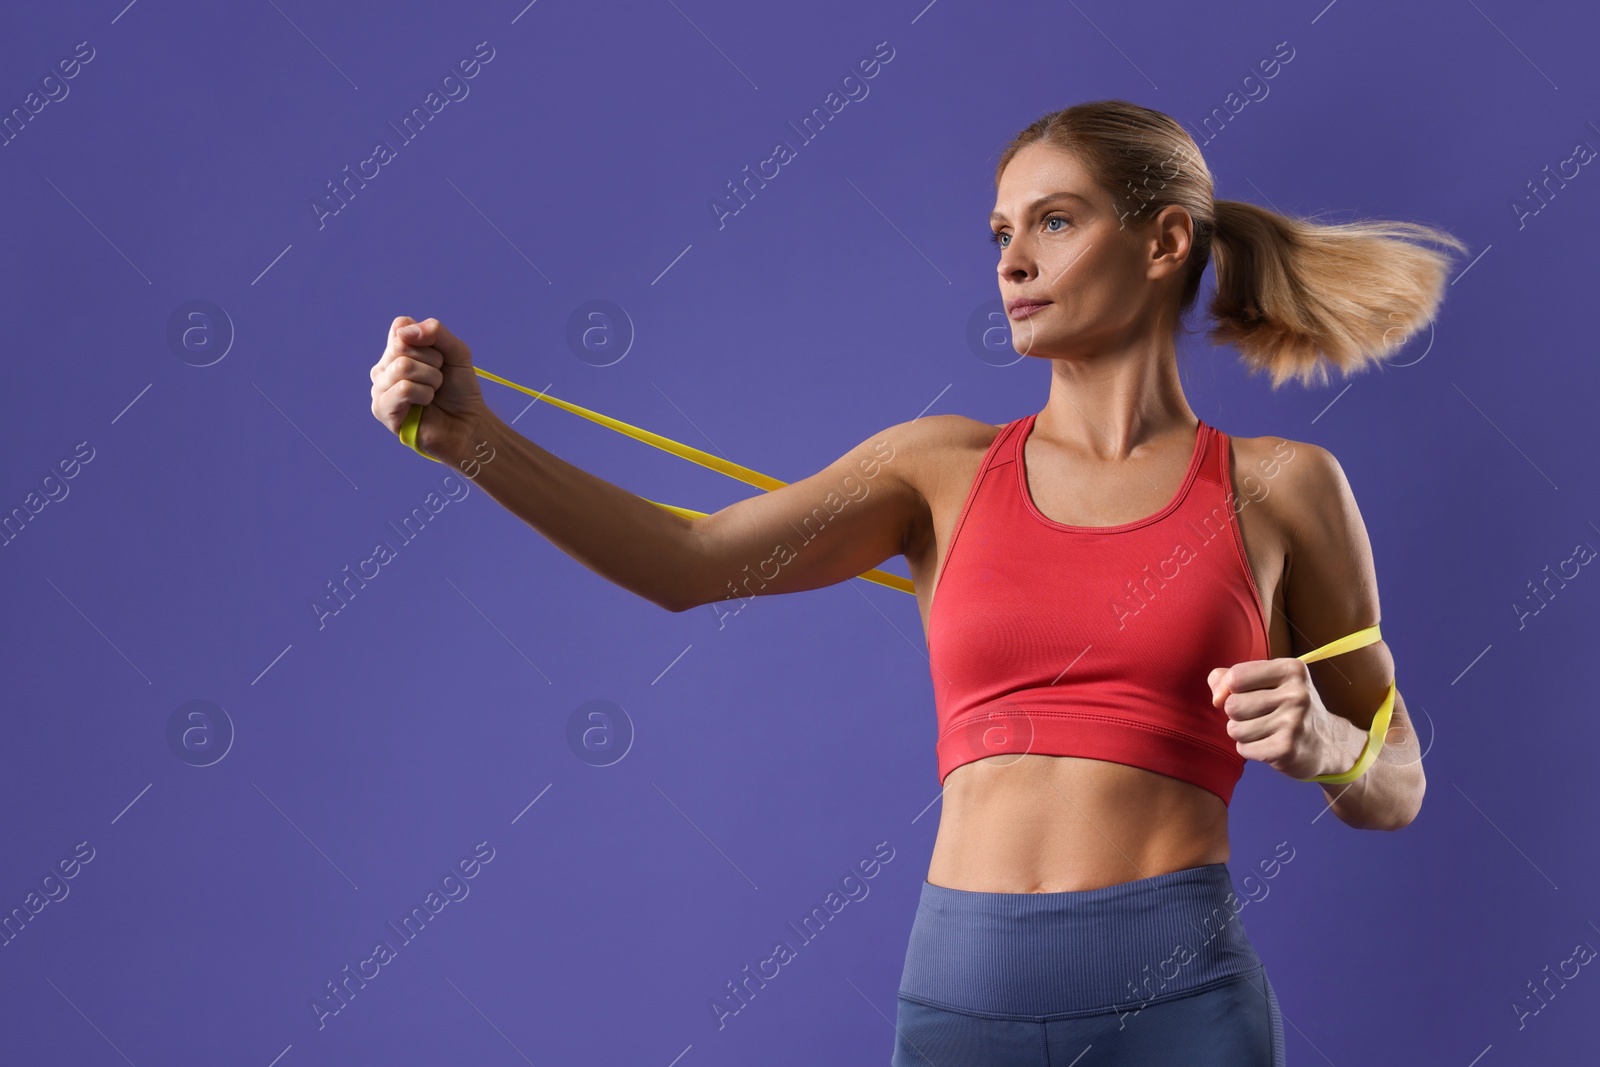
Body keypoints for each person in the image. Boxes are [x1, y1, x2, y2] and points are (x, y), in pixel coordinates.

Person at [369, 99, 1457, 1065]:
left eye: (1055, 220)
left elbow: (1393, 780)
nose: (1011, 260)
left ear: (1163, 240)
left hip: (1178, 1000)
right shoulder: (936, 467)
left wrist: (1325, 745)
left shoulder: (1279, 486)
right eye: (999, 232)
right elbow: (687, 562)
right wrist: (473, 442)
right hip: (961, 996)